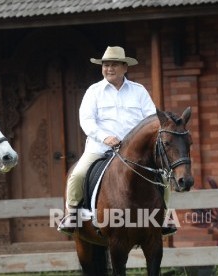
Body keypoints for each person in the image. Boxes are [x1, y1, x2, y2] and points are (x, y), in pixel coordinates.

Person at [57, 46, 175, 236]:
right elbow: (86, 120)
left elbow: (151, 119)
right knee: (78, 175)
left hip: (135, 152)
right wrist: (105, 137)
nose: (109, 69)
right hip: (100, 147)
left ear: (124, 68)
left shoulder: (139, 91)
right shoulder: (93, 91)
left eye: (113, 65)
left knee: (163, 176)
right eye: (105, 65)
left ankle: (165, 217)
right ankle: (71, 213)